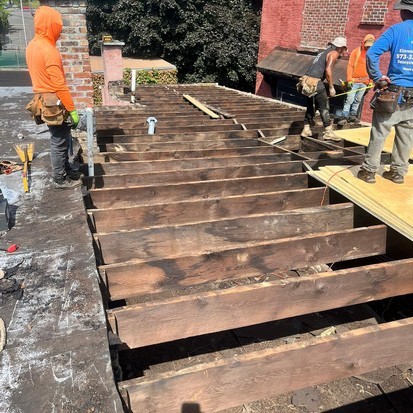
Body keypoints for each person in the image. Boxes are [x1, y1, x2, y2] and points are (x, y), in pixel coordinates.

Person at [357, 0, 413, 184]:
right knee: (406, 135)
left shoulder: (395, 30)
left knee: (380, 132)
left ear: (403, 12)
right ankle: (398, 172)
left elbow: (372, 54)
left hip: (393, 93)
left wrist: (378, 78)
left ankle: (368, 171)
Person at [26, 5, 81, 189]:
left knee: (62, 137)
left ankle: (66, 169)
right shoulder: (49, 50)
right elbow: (59, 85)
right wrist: (72, 110)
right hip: (53, 103)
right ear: (50, 25)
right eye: (58, 27)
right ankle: (59, 178)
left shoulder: (33, 45)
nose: (60, 31)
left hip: (43, 99)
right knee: (58, 141)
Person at [300, 37, 347, 142]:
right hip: (315, 82)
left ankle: (306, 129)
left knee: (311, 106)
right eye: (343, 49)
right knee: (324, 106)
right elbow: (328, 70)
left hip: (306, 81)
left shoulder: (323, 53)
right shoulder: (334, 53)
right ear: (340, 47)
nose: (342, 52)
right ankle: (328, 132)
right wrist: (331, 87)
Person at [338, 34, 375, 125]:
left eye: (370, 46)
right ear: (364, 43)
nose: (369, 47)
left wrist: (371, 81)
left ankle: (353, 116)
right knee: (349, 99)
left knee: (358, 100)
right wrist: (349, 79)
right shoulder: (356, 52)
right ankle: (344, 116)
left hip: (365, 82)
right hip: (354, 81)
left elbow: (372, 69)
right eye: (367, 45)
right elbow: (350, 66)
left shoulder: (372, 54)